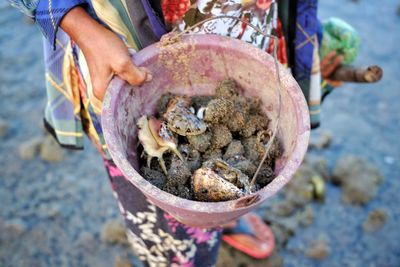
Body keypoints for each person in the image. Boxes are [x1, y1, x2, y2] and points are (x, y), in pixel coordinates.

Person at [9, 0, 343, 266]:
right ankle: (184, 247)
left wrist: (308, 43)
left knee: (241, 180)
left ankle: (223, 218)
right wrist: (78, 24)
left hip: (252, 30)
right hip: (123, 49)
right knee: (172, 241)